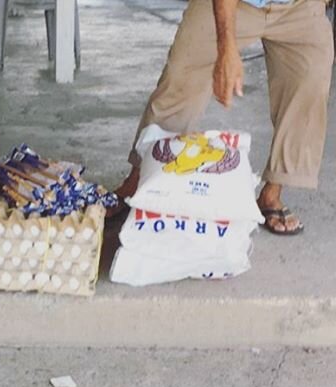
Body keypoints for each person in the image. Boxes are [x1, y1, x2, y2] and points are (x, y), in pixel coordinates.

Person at [111, 0, 334, 235]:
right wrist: (226, 49)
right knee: (182, 77)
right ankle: (139, 178)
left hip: (296, 7)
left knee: (311, 76)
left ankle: (272, 193)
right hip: (234, 5)